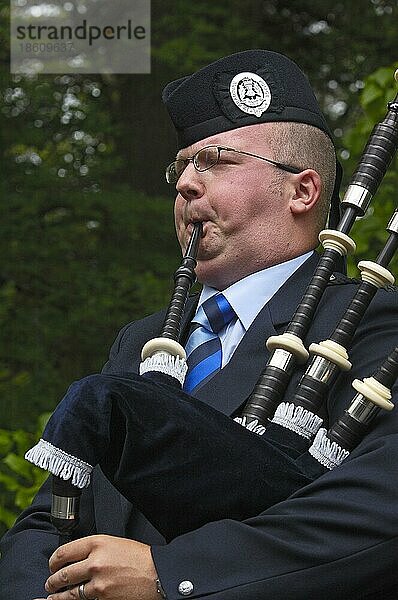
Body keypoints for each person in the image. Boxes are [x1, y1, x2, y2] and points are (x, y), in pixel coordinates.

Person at [1, 49, 397, 600]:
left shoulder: (370, 325)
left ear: (302, 191)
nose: (186, 183)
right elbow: (51, 515)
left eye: (216, 161)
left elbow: (376, 508)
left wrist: (171, 575)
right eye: (181, 166)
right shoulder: (143, 340)